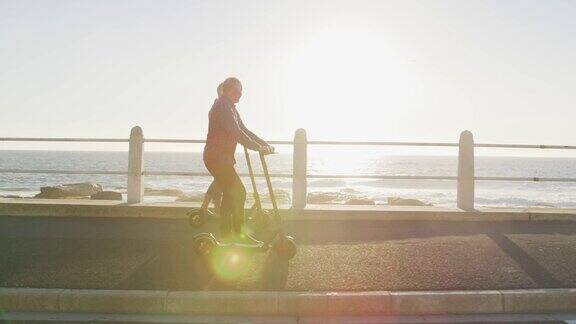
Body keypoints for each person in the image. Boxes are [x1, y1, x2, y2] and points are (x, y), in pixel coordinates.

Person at [203, 77, 274, 244]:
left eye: (241, 92)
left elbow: (244, 130)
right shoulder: (222, 106)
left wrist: (264, 144)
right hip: (216, 159)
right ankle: (239, 234)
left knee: (230, 195)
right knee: (239, 192)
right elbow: (236, 133)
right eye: (236, 91)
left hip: (223, 159)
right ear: (227, 91)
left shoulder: (231, 108)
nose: (240, 95)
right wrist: (257, 147)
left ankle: (227, 236)